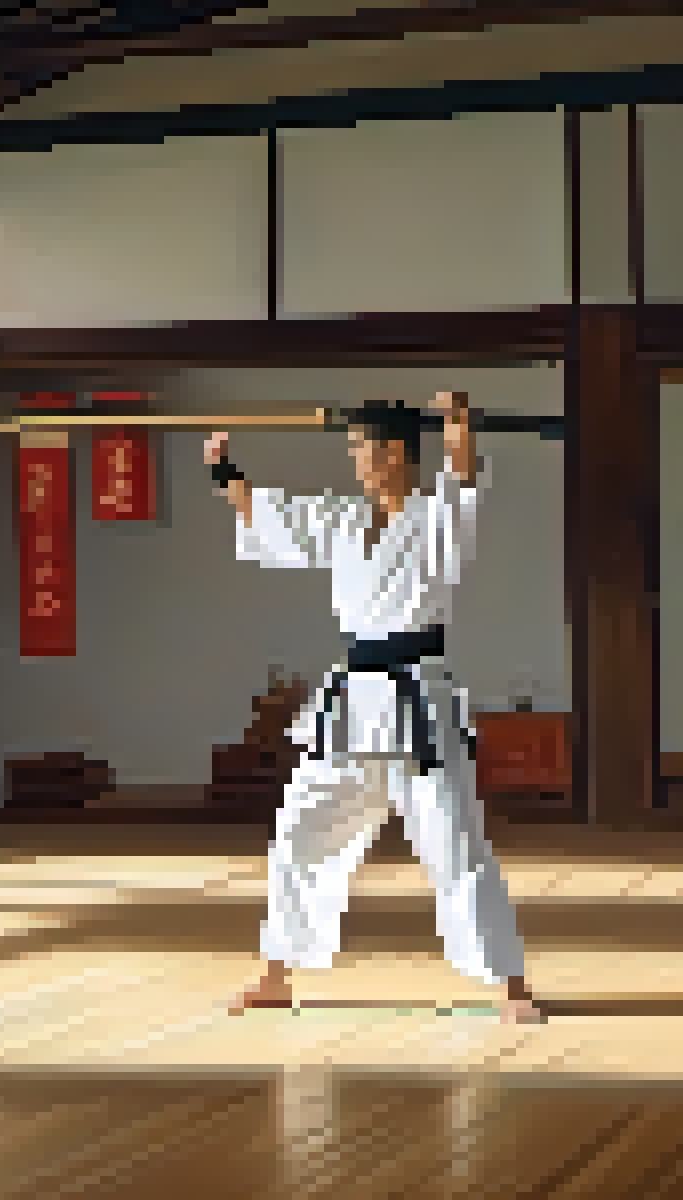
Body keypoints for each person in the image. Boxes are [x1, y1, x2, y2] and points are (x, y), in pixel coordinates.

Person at [207, 391, 541, 1024]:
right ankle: (276, 973)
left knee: (455, 840)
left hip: (418, 698)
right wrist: (223, 469)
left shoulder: (437, 516)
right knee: (300, 831)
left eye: (365, 448)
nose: (357, 459)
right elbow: (266, 513)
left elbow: (463, 474)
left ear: (396, 454)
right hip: (352, 701)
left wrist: (458, 423)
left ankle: (509, 982)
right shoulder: (341, 520)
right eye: (354, 448)